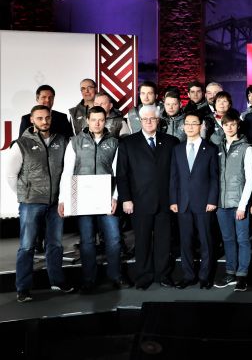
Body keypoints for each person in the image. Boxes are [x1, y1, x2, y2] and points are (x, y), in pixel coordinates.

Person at [5, 105, 73, 302]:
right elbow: (10, 175)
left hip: (55, 202)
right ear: (32, 120)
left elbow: (67, 170)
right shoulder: (21, 144)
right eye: (40, 118)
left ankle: (57, 281)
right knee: (27, 246)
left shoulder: (61, 141)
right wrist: (25, 195)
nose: (44, 121)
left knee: (55, 244)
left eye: (47, 118)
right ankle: (23, 288)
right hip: (31, 203)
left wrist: (64, 197)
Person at [58, 106, 129, 291]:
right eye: (94, 119)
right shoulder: (74, 142)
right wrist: (63, 199)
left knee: (114, 239)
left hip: (107, 197)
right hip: (83, 199)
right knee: (87, 241)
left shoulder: (114, 142)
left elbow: (118, 173)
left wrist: (115, 197)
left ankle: (115, 276)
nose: (97, 123)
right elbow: (67, 172)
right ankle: (89, 280)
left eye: (101, 120)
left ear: (105, 121)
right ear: (87, 120)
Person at [116, 105, 180, 289]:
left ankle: (163, 275)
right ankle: (144, 276)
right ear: (140, 121)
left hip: (165, 201)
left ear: (158, 120)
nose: (149, 122)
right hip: (139, 202)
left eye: (153, 118)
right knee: (142, 241)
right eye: (145, 119)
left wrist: (175, 198)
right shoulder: (128, 143)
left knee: (164, 241)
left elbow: (176, 174)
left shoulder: (171, 141)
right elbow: (122, 174)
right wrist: (126, 199)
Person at [170, 111, 219, 289]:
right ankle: (188, 275)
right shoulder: (177, 149)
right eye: (187, 123)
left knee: (206, 241)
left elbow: (214, 177)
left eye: (194, 123)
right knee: (186, 242)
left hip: (204, 203)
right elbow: (174, 177)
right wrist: (173, 200)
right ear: (183, 126)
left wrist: (212, 200)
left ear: (201, 126)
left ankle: (205, 276)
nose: (190, 127)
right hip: (183, 203)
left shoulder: (210, 149)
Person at [214, 109, 252, 292]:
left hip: (239, 203)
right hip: (221, 204)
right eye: (226, 124)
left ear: (238, 125)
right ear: (222, 126)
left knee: (243, 240)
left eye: (232, 124)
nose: (229, 127)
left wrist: (243, 205)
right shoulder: (218, 147)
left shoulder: (247, 148)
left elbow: (250, 179)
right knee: (228, 239)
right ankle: (230, 272)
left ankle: (242, 275)